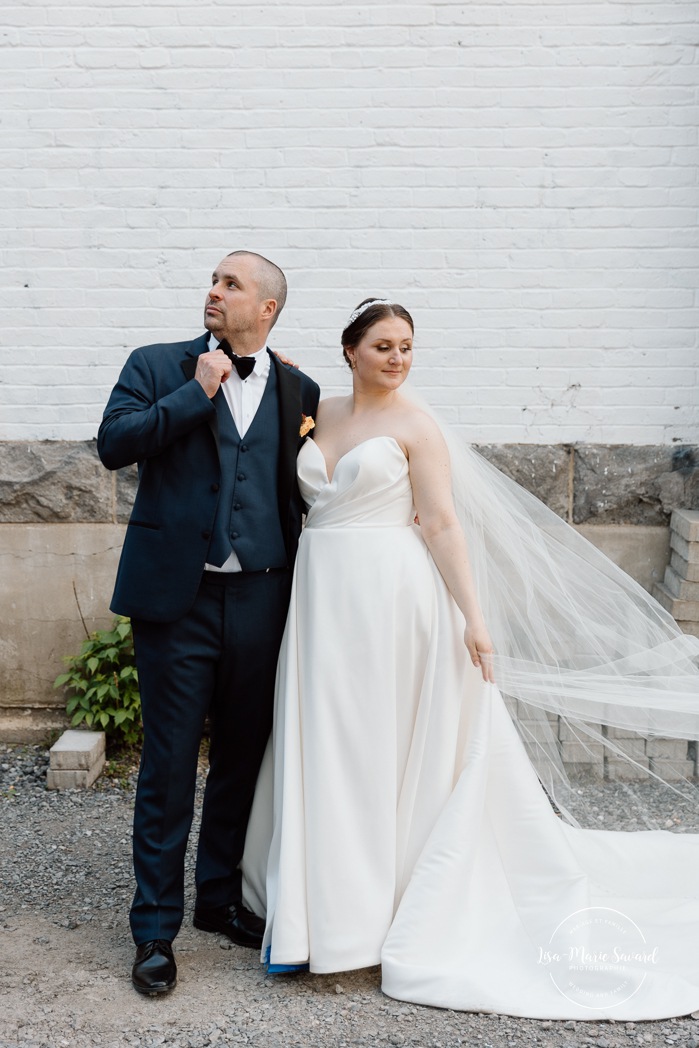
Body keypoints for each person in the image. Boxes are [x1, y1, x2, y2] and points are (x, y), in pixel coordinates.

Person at [241, 298, 699, 1020]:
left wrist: (473, 619)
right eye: (383, 346)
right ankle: (313, 904)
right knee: (330, 740)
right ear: (350, 351)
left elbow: (441, 522)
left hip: (393, 600)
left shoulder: (417, 427)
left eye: (407, 347)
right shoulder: (315, 410)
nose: (397, 359)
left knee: (381, 746)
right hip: (321, 600)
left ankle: (372, 915)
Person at [97, 251, 320, 996]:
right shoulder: (157, 364)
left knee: (241, 760)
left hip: (263, 595)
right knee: (166, 769)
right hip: (177, 601)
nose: (213, 292)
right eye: (212, 281)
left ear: (268, 309)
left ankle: (217, 901)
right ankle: (153, 930)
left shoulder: (299, 386)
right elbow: (115, 444)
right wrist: (195, 394)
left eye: (231, 285)